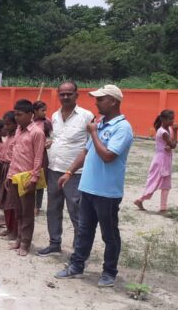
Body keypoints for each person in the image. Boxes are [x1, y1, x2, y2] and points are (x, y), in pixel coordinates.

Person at [55, 85, 134, 287]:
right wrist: (69, 172)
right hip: (88, 187)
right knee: (84, 229)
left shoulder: (122, 128)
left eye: (100, 99)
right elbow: (86, 152)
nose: (96, 103)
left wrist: (93, 133)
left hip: (106, 192)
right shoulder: (99, 124)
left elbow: (108, 156)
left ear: (113, 101)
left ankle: (109, 272)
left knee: (109, 234)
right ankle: (76, 265)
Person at [36, 82, 94, 256]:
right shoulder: (54, 116)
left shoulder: (86, 116)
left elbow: (91, 144)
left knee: (76, 211)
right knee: (53, 209)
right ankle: (54, 243)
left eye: (69, 94)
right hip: (54, 170)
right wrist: (50, 142)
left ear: (77, 95)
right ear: (58, 95)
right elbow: (57, 138)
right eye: (62, 94)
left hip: (75, 173)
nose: (66, 97)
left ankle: (79, 250)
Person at [5, 100, 46, 256]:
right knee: (18, 211)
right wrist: (9, 175)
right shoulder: (18, 131)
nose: (16, 118)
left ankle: (25, 243)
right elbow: (15, 154)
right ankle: (19, 239)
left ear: (30, 114)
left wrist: (34, 177)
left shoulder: (37, 132)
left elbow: (38, 157)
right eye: (15, 114)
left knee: (27, 212)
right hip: (14, 175)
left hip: (27, 177)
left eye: (19, 115)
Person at [135, 110, 178, 212]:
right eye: (170, 119)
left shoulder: (168, 129)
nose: (172, 121)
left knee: (166, 184)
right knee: (154, 182)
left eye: (173, 118)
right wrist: (176, 132)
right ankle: (140, 199)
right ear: (163, 119)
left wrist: (168, 144)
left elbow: (170, 143)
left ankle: (163, 208)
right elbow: (173, 145)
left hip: (166, 159)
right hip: (160, 161)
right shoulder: (162, 132)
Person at [31, 100, 53, 216]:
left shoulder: (47, 123)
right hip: (30, 154)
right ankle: (29, 203)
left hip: (42, 154)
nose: (45, 112)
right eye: (42, 110)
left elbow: (52, 137)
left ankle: (37, 206)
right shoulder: (29, 122)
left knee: (40, 179)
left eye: (45, 110)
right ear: (35, 111)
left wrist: (50, 142)